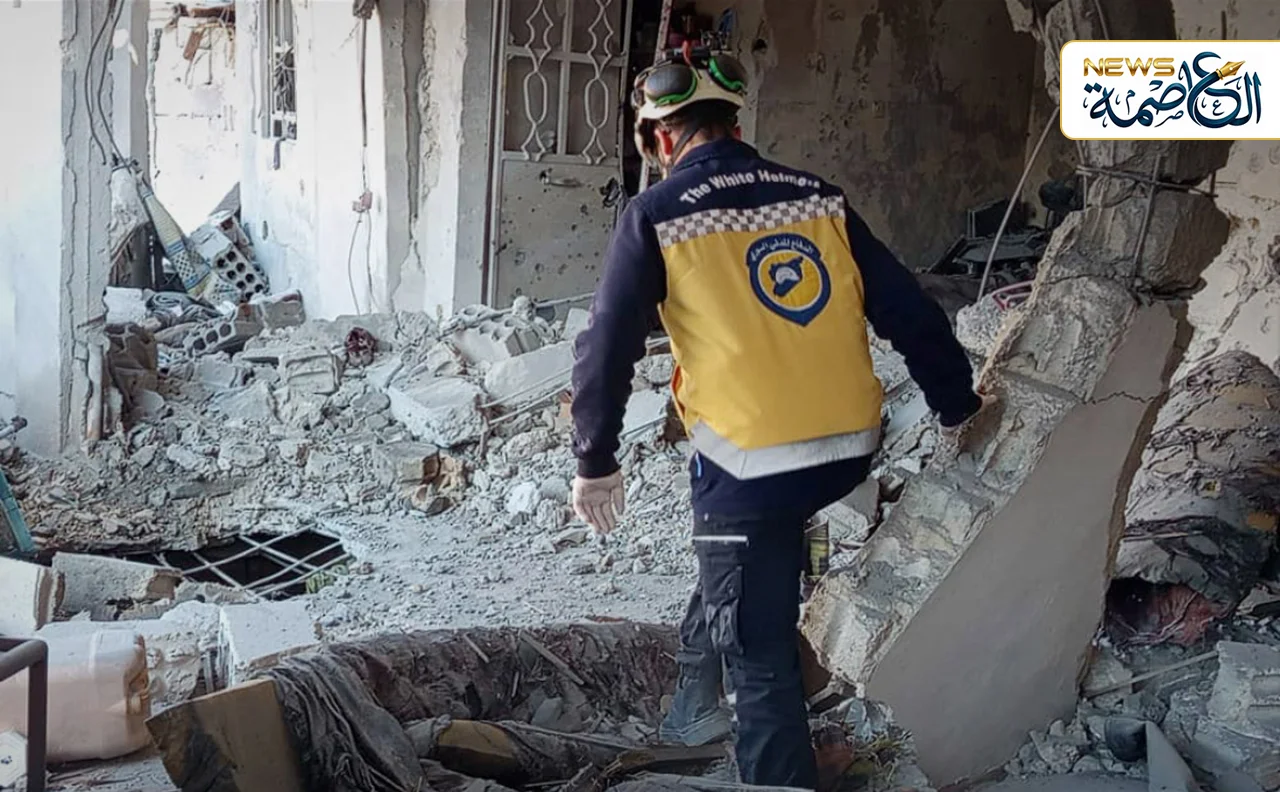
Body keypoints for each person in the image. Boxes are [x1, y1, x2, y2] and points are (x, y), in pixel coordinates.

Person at [569, 46, 992, 788]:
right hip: (847, 449)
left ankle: (771, 761)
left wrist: (595, 461)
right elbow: (910, 310)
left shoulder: (657, 214)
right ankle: (694, 704)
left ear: (661, 138)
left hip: (750, 463)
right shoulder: (819, 199)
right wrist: (957, 405)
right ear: (736, 125)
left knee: (758, 652)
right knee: (742, 557)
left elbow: (607, 346)